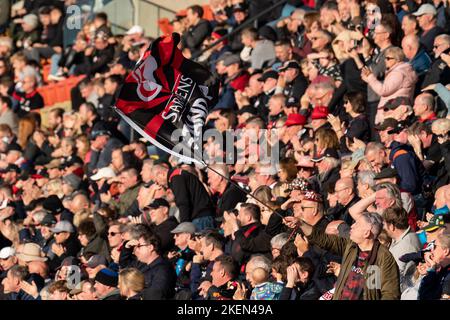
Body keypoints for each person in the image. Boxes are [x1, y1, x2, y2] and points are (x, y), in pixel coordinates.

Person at [285, 211, 400, 300]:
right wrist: (301, 223)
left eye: (357, 224)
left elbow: (390, 294)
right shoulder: (351, 247)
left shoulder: (383, 258)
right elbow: (323, 239)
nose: (352, 226)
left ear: (366, 233)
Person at [119, 228, 176, 300]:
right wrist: (127, 248)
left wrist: (134, 296)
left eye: (139, 246)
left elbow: (156, 294)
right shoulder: (143, 264)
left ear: (150, 247)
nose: (135, 249)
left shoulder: (163, 269)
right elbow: (125, 266)